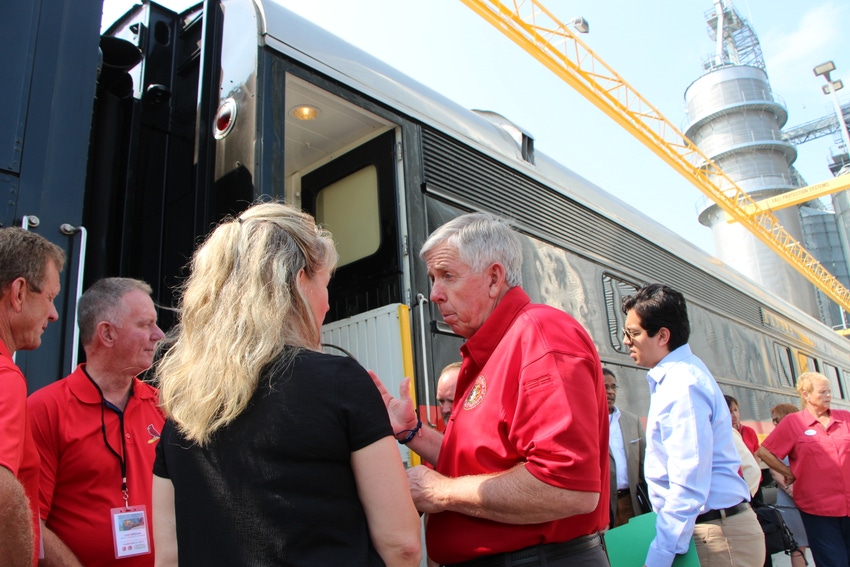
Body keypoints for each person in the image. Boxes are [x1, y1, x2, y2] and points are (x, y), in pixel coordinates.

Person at [152, 202, 421, 566]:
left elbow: (168, 557)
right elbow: (402, 545)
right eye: (325, 285)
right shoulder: (341, 382)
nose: (327, 304)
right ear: (298, 283)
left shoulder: (182, 407)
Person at [371, 212, 610, 566]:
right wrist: (414, 433)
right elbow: (483, 461)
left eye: (448, 276)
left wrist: (441, 492)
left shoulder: (539, 336)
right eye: (433, 279)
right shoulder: (491, 350)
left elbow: (568, 487)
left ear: (494, 278)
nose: (435, 294)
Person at [621, 283, 764, 567]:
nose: (626, 341)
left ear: (663, 336)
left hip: (715, 538)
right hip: (711, 533)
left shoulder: (682, 385)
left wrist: (659, 556)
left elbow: (688, 483)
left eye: (633, 333)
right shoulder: (682, 378)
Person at [28, 278, 166, 566]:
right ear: (107, 333)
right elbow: (30, 523)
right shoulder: (46, 409)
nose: (159, 335)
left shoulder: (163, 407)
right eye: (145, 324)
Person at [0, 227, 65, 567]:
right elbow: (3, 490)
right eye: (51, 298)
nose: (54, 315)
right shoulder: (5, 377)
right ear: (20, 292)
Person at [757, 372, 850, 567]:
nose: (829, 396)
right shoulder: (794, 422)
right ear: (806, 395)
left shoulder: (845, 419)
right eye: (823, 391)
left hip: (848, 503)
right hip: (818, 508)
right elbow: (765, 452)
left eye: (829, 391)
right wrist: (788, 472)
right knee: (833, 561)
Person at [767, 403, 810, 567]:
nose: (775, 424)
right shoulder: (777, 438)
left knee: (803, 543)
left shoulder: (803, 437)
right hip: (790, 500)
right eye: (774, 421)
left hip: (799, 496)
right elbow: (773, 470)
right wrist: (790, 490)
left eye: (777, 419)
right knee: (797, 543)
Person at [603, 367, 646, 528]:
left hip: (633, 503)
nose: (610, 392)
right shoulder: (586, 424)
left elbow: (644, 464)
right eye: (605, 387)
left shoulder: (632, 421)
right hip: (605, 508)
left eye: (613, 387)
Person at [723, 395, 761, 498]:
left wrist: (755, 470)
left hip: (753, 481)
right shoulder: (723, 434)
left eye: (736, 410)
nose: (734, 415)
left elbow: (756, 454)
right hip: (737, 484)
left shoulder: (749, 431)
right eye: (730, 412)